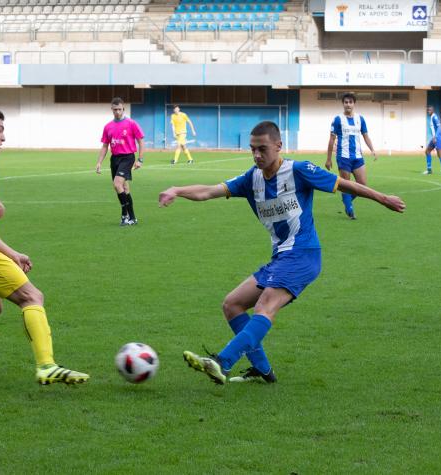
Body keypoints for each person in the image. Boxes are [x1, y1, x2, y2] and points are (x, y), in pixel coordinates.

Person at [159, 121, 405, 385]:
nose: (256, 155)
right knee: (232, 304)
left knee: (265, 305)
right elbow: (209, 191)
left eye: (262, 149)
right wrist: (177, 190)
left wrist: (382, 198)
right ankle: (263, 371)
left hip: (303, 255)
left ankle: (222, 362)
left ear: (278, 146)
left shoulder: (299, 171)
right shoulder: (250, 179)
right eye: (252, 149)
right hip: (281, 258)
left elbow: (346, 185)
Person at [0, 106, 89, 386]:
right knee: (32, 296)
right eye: (0, 129)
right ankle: (47, 365)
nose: (3, 137)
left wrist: (12, 254)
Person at [325, 92, 378, 220]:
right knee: (347, 185)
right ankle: (349, 208)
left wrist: (372, 149)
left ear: (354, 104)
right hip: (343, 157)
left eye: (350, 102)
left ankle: (346, 199)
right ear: (343, 104)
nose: (348, 104)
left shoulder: (360, 119)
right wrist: (328, 159)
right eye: (346, 102)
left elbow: (365, 136)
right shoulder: (338, 119)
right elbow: (332, 139)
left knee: (362, 184)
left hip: (358, 157)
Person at [95, 97, 145, 226]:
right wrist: (99, 162)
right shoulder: (108, 127)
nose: (117, 112)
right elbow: (105, 145)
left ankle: (124, 214)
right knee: (124, 188)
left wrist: (140, 159)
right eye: (115, 109)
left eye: (119, 109)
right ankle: (132, 218)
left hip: (128, 157)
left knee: (117, 184)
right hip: (115, 159)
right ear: (111, 110)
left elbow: (140, 141)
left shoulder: (131, 123)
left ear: (123, 109)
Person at [424, 105, 441, 175]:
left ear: (433, 111)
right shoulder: (431, 117)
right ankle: (429, 169)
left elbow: (439, 127)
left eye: (430, 110)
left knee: (439, 154)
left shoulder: (435, 117)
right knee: (427, 151)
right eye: (428, 110)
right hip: (434, 138)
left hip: (438, 138)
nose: (428, 111)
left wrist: (435, 137)